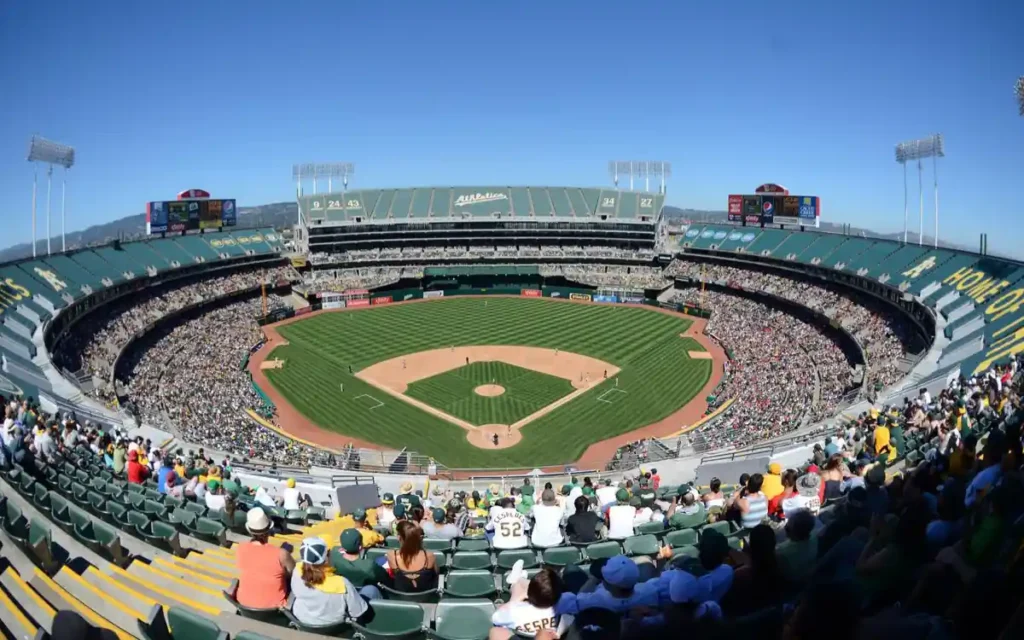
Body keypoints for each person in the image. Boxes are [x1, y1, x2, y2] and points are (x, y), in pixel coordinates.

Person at [290, 537, 371, 627]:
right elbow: (357, 612)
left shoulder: (297, 572)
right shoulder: (342, 584)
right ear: (327, 557)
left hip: (303, 622)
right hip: (337, 630)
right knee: (371, 590)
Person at [235, 508, 293, 609]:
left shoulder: (240, 548)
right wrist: (286, 553)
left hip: (244, 605)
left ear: (250, 531)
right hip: (274, 611)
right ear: (269, 530)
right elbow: (294, 573)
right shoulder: (281, 554)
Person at [491, 567, 567, 638]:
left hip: (518, 634)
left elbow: (495, 618)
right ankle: (519, 579)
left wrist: (519, 598)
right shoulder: (562, 608)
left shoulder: (515, 612)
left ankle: (516, 580)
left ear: (529, 594)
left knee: (517, 588)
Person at [329, 529, 389, 599]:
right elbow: (386, 579)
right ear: (360, 547)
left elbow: (336, 549)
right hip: (364, 599)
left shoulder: (333, 556)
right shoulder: (369, 566)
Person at [386, 521, 438, 593]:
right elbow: (436, 573)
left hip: (402, 598)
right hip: (427, 598)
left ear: (398, 537)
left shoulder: (392, 556)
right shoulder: (429, 555)